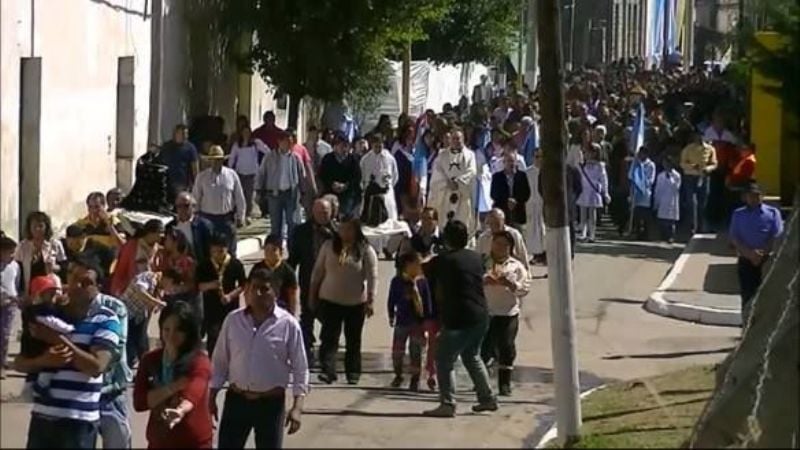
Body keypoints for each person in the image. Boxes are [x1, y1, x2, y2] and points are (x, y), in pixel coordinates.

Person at [16, 256, 121, 449]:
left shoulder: (106, 319)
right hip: (42, 418)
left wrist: (56, 338)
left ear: (98, 287)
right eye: (74, 278)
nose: (78, 285)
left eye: (87, 282)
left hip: (78, 423)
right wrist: (44, 360)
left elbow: (97, 366)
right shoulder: (49, 314)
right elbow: (20, 363)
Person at [210, 268, 308, 449]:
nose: (257, 293)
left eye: (264, 289)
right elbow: (220, 362)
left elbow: (300, 367)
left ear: (276, 292)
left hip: (270, 405)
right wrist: (212, 395)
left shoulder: (288, 325)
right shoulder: (233, 321)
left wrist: (297, 408)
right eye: (253, 288)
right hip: (237, 401)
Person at [423, 220, 497, 418]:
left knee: (444, 359)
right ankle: (487, 398)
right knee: (472, 356)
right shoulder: (475, 258)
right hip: (481, 315)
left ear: (446, 239)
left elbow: (424, 269)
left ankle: (448, 403)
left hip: (459, 317)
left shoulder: (443, 260)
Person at [133, 301, 213, 449]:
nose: (171, 335)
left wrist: (181, 410)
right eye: (166, 329)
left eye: (178, 330)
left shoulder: (199, 360)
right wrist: (173, 387)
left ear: (189, 332)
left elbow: (196, 388)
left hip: (194, 442)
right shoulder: (149, 360)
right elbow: (140, 402)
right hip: (159, 441)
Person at [309, 216, 378, 385]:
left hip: (355, 303)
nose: (345, 233)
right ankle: (328, 370)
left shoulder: (365, 250)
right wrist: (312, 295)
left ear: (356, 230)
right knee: (329, 338)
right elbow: (317, 273)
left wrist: (371, 300)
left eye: (349, 229)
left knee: (353, 339)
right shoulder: (328, 246)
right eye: (342, 229)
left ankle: (353, 372)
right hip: (330, 300)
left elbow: (373, 276)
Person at [110, 219, 164, 368]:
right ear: (150, 233)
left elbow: (157, 273)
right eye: (159, 233)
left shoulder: (157, 250)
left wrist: (157, 295)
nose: (161, 237)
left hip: (147, 297)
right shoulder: (132, 247)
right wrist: (117, 293)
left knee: (140, 332)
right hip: (129, 294)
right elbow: (121, 271)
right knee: (131, 333)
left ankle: (141, 364)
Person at [287, 198, 336, 363]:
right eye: (319, 212)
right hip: (308, 281)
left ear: (331, 213)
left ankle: (327, 355)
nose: (322, 215)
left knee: (329, 320)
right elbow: (293, 258)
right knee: (307, 316)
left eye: (326, 212)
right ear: (312, 213)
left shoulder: (338, 232)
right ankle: (306, 351)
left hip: (331, 284)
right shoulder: (301, 232)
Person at [481, 231, 528, 396]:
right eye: (497, 243)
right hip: (487, 312)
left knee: (506, 347)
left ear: (510, 248)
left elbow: (524, 288)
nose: (500, 248)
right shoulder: (483, 262)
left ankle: (504, 384)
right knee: (484, 348)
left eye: (504, 245)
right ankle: (481, 381)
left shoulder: (516, 266)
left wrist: (510, 284)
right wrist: (484, 281)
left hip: (508, 313)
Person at [728, 181, 783, 317]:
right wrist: (750, 254)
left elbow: (777, 236)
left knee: (767, 297)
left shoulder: (772, 213)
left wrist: (762, 253)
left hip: (766, 261)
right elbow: (734, 238)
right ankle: (747, 328)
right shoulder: (738, 214)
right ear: (745, 197)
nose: (754, 198)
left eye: (757, 195)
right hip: (746, 261)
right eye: (751, 195)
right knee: (748, 296)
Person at [387, 252, 433, 391]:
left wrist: (428, 319)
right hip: (402, 320)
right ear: (407, 265)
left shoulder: (423, 281)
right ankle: (398, 374)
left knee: (416, 351)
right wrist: (390, 314)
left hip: (417, 322)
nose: (420, 267)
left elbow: (427, 301)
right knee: (397, 351)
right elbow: (391, 300)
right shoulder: (398, 281)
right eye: (417, 264)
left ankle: (415, 378)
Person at [196, 233, 246, 357]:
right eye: (213, 251)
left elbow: (243, 285)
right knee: (213, 338)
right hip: (211, 308)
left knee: (232, 338)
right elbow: (198, 286)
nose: (217, 255)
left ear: (226, 249)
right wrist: (210, 285)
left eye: (220, 251)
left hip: (231, 307)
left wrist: (230, 296)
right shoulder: (205, 265)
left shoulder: (235, 264)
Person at [193, 145, 246, 256]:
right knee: (207, 250)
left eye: (218, 160)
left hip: (226, 218)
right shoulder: (201, 177)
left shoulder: (232, 175)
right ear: (209, 161)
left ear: (222, 160)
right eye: (213, 160)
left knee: (230, 250)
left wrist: (241, 217)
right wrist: (195, 217)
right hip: (207, 219)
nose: (216, 162)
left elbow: (239, 197)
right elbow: (196, 198)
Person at [255, 132, 306, 243]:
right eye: (286, 141)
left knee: (292, 222)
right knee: (276, 224)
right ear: (279, 142)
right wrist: (258, 190)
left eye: (291, 142)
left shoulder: (295, 158)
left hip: (291, 195)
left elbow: (302, 175)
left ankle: (292, 249)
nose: (288, 144)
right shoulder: (269, 157)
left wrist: (303, 192)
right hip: (274, 194)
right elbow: (261, 173)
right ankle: (276, 249)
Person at [428, 129, 478, 237]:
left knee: (462, 223)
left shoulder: (470, 155)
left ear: (463, 139)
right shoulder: (442, 155)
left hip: (462, 196)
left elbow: (472, 171)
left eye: (459, 139)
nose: (456, 141)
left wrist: (458, 182)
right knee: (446, 223)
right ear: (450, 140)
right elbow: (437, 171)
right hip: (446, 195)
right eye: (454, 139)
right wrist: (447, 182)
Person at [16, 211, 67, 296]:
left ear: (46, 227)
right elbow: (18, 270)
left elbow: (64, 267)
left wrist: (54, 267)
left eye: (40, 226)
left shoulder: (55, 244)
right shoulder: (22, 246)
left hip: (51, 289)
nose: (37, 229)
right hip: (31, 290)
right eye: (34, 226)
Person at [249, 234, 299, 315]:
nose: (269, 253)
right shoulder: (257, 268)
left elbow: (292, 295)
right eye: (267, 250)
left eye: (274, 250)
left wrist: (292, 314)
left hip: (281, 310)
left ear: (281, 252)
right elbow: (249, 290)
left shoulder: (288, 271)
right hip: (260, 309)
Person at [228, 125, 269, 222]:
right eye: (244, 132)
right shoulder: (237, 145)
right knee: (239, 195)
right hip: (240, 173)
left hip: (252, 173)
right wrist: (230, 170)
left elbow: (267, 151)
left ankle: (247, 215)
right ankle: (239, 215)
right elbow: (232, 158)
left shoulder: (256, 143)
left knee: (249, 196)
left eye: (248, 132)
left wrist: (262, 165)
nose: (246, 134)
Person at [679, 131, 717, 234]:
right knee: (691, 202)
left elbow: (714, 163)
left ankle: (701, 226)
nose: (699, 138)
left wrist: (708, 169)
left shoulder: (710, 149)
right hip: (690, 177)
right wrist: (692, 166)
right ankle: (691, 226)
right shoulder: (688, 149)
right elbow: (682, 163)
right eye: (697, 135)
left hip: (703, 177)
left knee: (703, 203)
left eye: (701, 136)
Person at [319, 133, 362, 218]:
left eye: (346, 146)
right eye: (341, 146)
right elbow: (323, 174)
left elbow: (357, 177)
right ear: (335, 146)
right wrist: (332, 184)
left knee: (345, 215)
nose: (344, 148)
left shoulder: (352, 160)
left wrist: (346, 185)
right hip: (331, 192)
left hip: (348, 193)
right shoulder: (328, 159)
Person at [360, 133, 399, 225]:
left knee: (389, 219)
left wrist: (386, 187)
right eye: (375, 145)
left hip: (386, 194)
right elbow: (362, 177)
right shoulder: (365, 160)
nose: (378, 148)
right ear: (371, 144)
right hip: (370, 195)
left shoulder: (390, 159)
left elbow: (395, 176)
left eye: (380, 145)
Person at [477, 209, 530, 275]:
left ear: (503, 221)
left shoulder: (514, 234)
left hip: (511, 275)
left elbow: (523, 256)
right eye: (491, 223)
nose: (494, 226)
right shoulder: (483, 238)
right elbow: (478, 260)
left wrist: (527, 275)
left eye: (497, 223)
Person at [167, 192, 214, 265]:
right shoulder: (170, 226)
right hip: (175, 268)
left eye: (186, 206)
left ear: (194, 207)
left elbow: (210, 251)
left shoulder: (204, 226)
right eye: (179, 206)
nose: (182, 209)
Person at [576, 144, 611, 243]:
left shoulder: (600, 166)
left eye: (592, 152)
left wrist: (606, 193)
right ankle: (583, 233)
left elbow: (604, 180)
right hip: (583, 191)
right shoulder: (583, 164)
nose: (589, 154)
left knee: (592, 214)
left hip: (593, 191)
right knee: (582, 213)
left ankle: (592, 234)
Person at [161, 124, 200, 204]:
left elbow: (195, 167)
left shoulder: (190, 148)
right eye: (183, 134)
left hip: (182, 184)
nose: (185, 136)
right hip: (166, 182)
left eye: (186, 134)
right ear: (176, 134)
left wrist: (196, 184)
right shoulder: (167, 146)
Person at [490, 152, 531, 228]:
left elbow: (526, 193)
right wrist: (506, 200)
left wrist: (516, 200)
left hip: (518, 214)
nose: (511, 163)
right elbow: (493, 194)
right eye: (508, 161)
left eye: (513, 161)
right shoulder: (497, 177)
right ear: (504, 162)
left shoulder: (522, 176)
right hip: (502, 214)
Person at [0, 233, 21, 379]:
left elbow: (16, 283)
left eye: (14, 251)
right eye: (10, 252)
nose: (13, 255)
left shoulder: (15, 266)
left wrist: (14, 297)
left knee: (5, 334)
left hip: (10, 306)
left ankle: (2, 362)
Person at [628, 147, 656, 240]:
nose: (641, 155)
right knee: (637, 214)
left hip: (646, 192)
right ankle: (637, 233)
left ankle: (646, 233)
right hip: (636, 191)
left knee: (645, 215)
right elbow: (630, 175)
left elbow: (651, 180)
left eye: (643, 154)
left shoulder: (651, 165)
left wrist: (642, 183)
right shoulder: (636, 163)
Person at [653, 158, 682, 243]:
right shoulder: (660, 175)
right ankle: (663, 236)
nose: (665, 166)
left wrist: (670, 179)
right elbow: (657, 189)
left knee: (671, 221)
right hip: (662, 200)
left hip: (672, 200)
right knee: (662, 220)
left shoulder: (677, 175)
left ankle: (671, 236)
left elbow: (677, 188)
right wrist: (656, 201)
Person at [525, 152, 546, 264]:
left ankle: (545, 254)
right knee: (533, 231)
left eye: (541, 157)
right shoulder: (528, 172)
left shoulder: (547, 172)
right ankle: (535, 254)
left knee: (543, 230)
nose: (539, 159)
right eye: (537, 157)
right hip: (531, 204)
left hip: (543, 204)